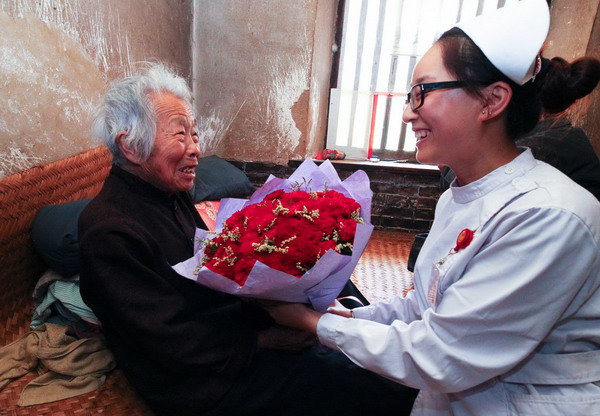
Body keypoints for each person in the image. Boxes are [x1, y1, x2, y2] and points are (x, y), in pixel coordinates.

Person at [263, 0, 600, 414]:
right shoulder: (458, 197)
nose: (407, 113)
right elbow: (426, 307)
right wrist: (348, 316)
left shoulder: (548, 216)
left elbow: (445, 354)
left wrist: (315, 323)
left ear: (491, 101)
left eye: (421, 92)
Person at [78, 62, 417, 416]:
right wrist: (266, 337)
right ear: (130, 146)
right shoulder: (109, 231)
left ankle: (360, 331)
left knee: (334, 285)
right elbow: (164, 340)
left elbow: (207, 263)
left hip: (226, 330)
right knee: (352, 379)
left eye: (194, 134)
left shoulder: (165, 191)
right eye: (180, 135)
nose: (195, 148)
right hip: (204, 379)